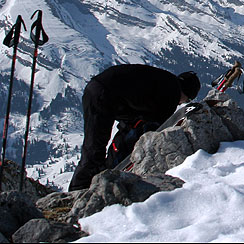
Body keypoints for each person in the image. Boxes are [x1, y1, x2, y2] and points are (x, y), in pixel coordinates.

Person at [68, 64, 201, 191]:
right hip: (104, 95)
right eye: (187, 100)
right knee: (94, 148)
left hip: (102, 90)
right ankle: (77, 191)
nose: (181, 103)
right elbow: (156, 129)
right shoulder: (171, 93)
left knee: (119, 132)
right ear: (186, 93)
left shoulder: (164, 82)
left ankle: (106, 167)